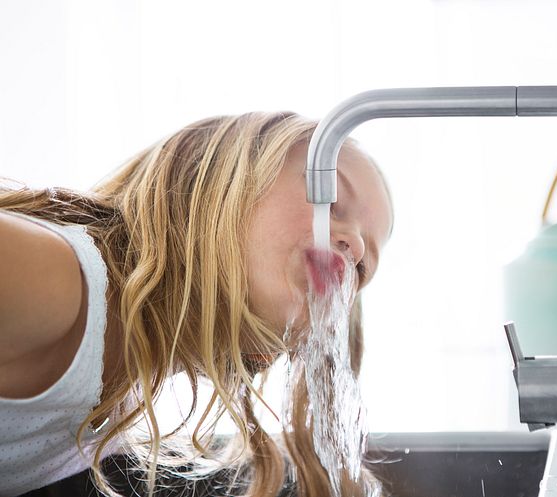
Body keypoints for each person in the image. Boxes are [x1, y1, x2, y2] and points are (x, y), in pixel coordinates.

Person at [0, 112, 394, 497]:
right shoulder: (62, 282)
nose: (355, 247)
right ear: (211, 180)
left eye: (362, 269)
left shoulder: (132, 382)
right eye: (330, 198)